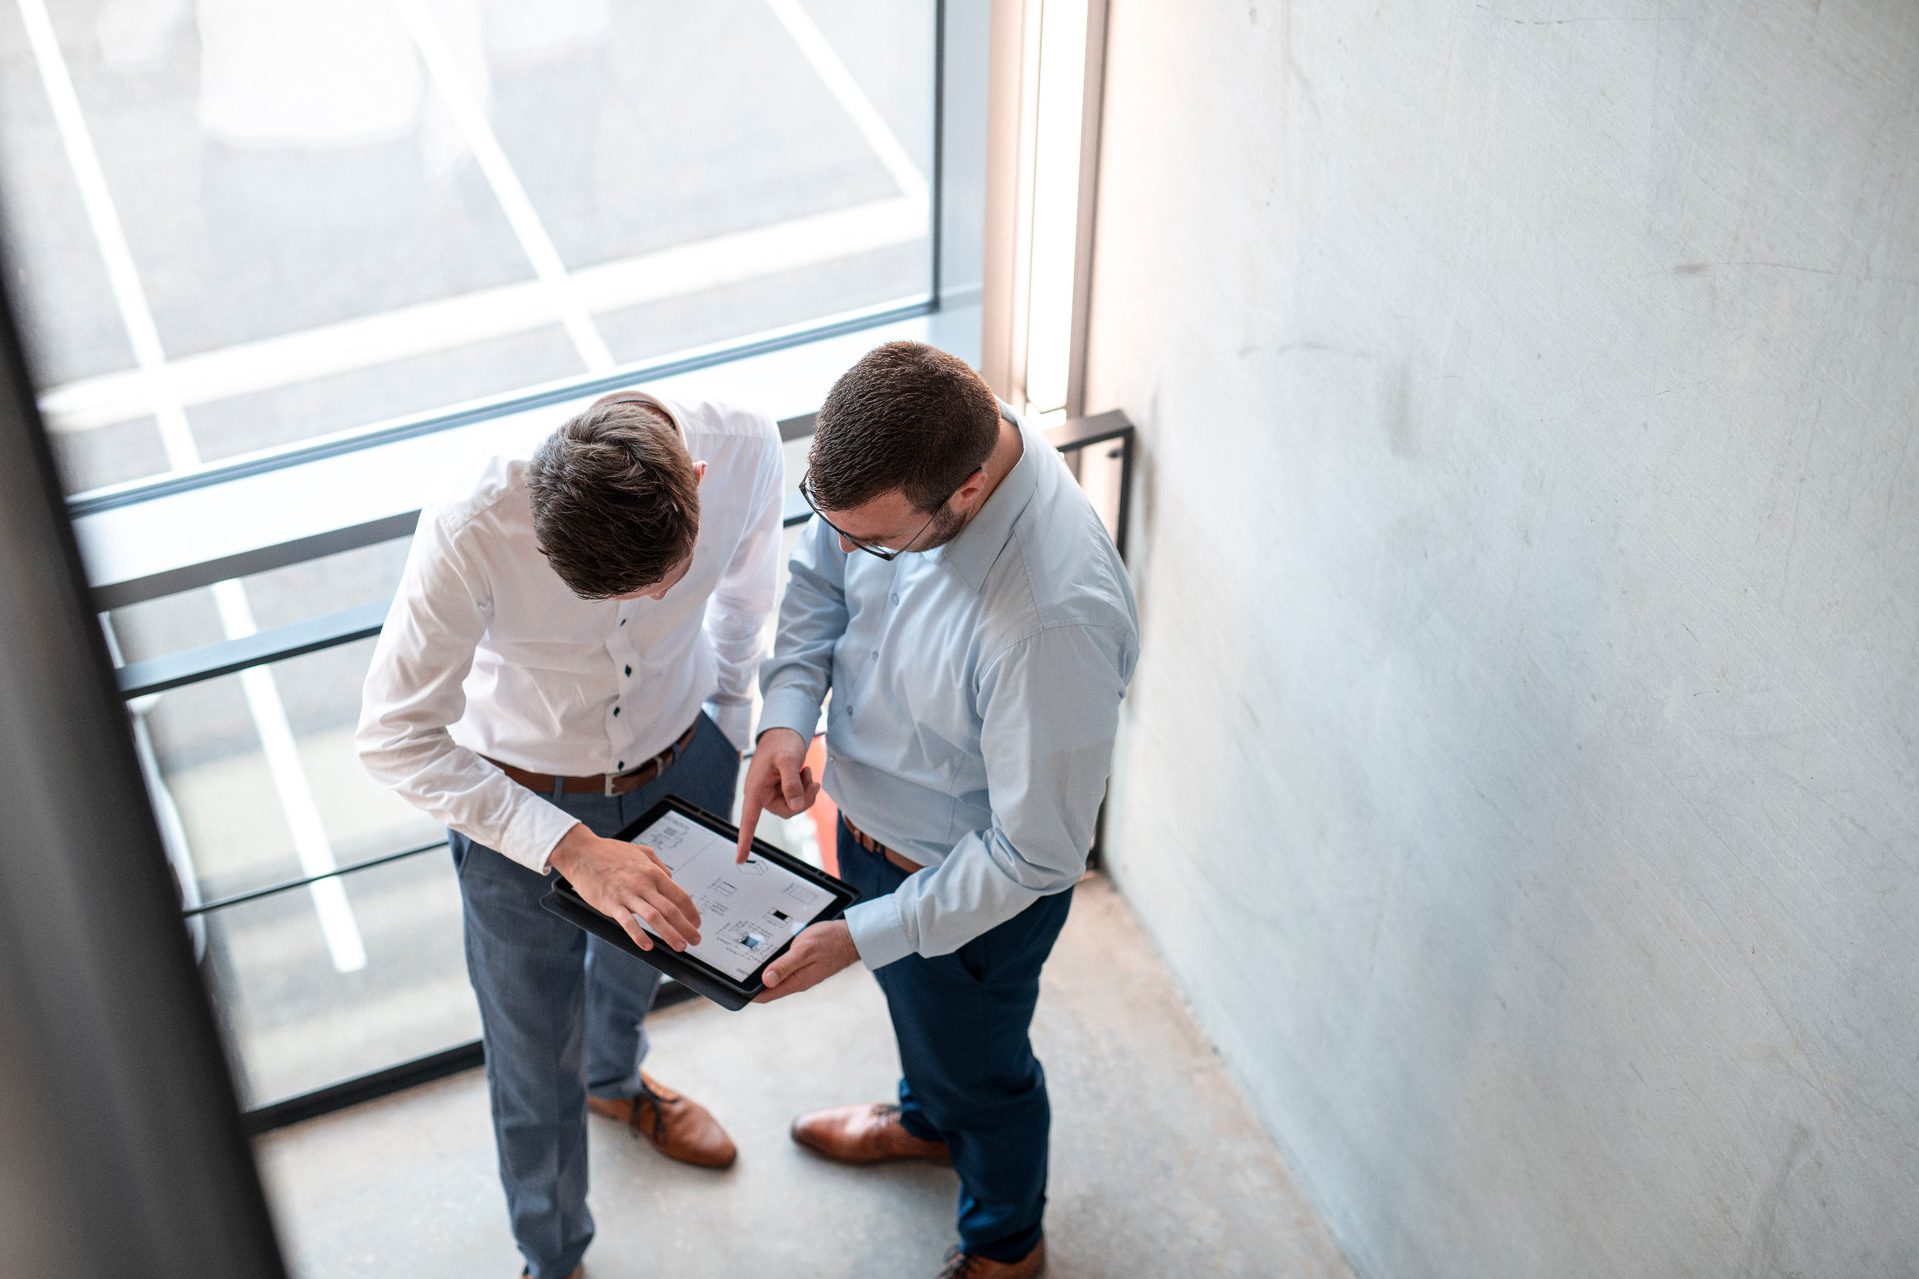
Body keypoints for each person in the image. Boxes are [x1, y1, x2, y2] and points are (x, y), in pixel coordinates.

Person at [358, 389, 783, 1279]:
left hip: (684, 751)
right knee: (531, 1043)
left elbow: (746, 590)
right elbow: (393, 735)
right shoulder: (473, 521)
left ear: (695, 482)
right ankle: (553, 1257)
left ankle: (618, 1083)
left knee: (651, 957)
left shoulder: (743, 446)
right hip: (520, 809)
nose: (644, 605)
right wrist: (570, 848)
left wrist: (733, 723)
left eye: (654, 585)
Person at [737, 341, 1140, 1278]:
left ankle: (1005, 1242)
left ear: (963, 493)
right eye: (825, 518)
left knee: (988, 1076)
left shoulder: (1051, 619)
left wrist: (864, 931)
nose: (842, 544)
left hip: (963, 903)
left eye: (872, 537)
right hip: (871, 833)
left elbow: (1035, 855)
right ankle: (926, 1120)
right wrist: (787, 718)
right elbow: (818, 584)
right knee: (936, 1039)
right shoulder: (893, 470)